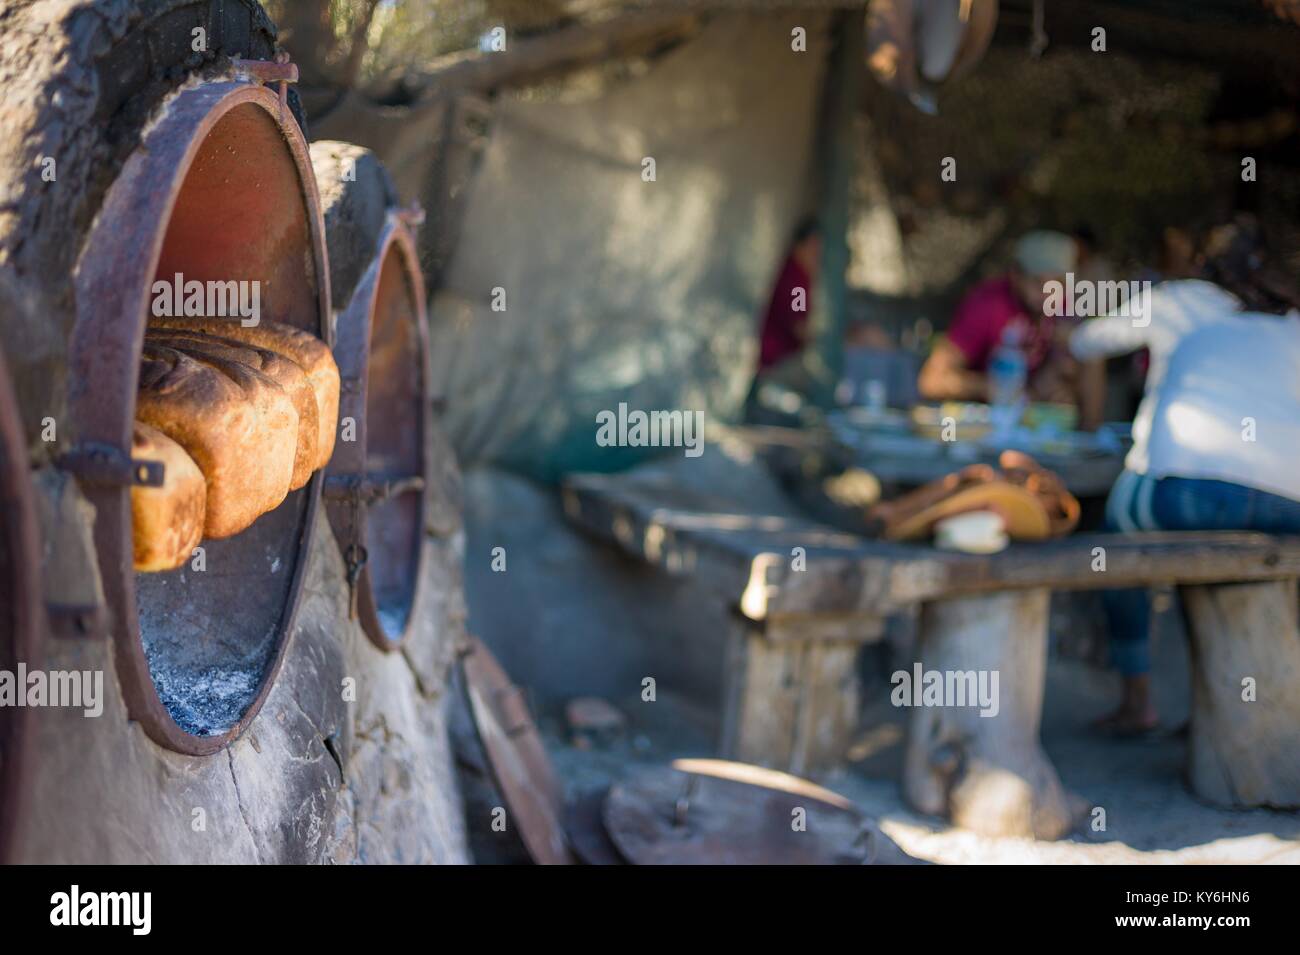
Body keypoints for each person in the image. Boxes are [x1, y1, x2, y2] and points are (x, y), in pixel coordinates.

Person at [1071, 222, 1300, 734]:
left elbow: (1085, 341)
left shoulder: (1190, 316)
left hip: (1184, 489)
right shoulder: (1291, 327)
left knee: (1115, 541)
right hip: (1289, 499)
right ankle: (1229, 711)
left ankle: (1137, 698)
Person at [917, 230, 1105, 428]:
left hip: (1033, 427)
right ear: (1016, 275)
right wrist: (987, 387)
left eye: (1057, 284)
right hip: (977, 427)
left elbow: (1087, 362)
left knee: (1090, 350)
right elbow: (931, 380)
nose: (1047, 294)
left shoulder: (1067, 307)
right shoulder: (987, 304)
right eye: (1038, 282)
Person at [755, 217, 821, 387]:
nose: (817, 256)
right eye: (814, 248)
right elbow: (799, 327)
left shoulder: (799, 276)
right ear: (801, 246)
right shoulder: (795, 279)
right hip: (775, 363)